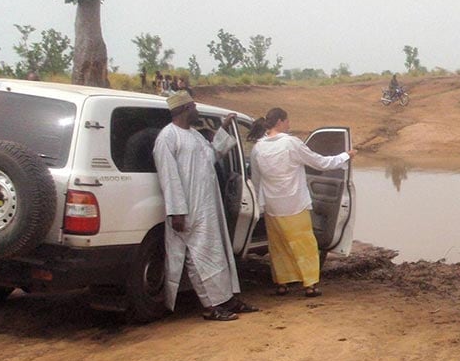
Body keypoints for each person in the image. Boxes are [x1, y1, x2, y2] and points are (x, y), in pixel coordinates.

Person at [152, 90, 259, 321]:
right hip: (188, 210)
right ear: (183, 110)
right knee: (197, 257)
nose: (197, 111)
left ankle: (227, 299)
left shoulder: (195, 135)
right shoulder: (167, 138)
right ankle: (211, 307)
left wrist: (225, 130)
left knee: (216, 255)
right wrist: (177, 211)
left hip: (208, 208)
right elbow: (169, 178)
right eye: (193, 107)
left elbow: (212, 155)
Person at [248, 107, 356, 297]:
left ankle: (282, 283)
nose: (289, 124)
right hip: (294, 204)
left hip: (273, 206)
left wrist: (259, 204)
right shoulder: (291, 143)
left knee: (279, 246)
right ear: (280, 121)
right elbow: (320, 162)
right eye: (287, 121)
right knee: (305, 245)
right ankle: (310, 285)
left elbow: (257, 180)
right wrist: (345, 156)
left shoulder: (258, 148)